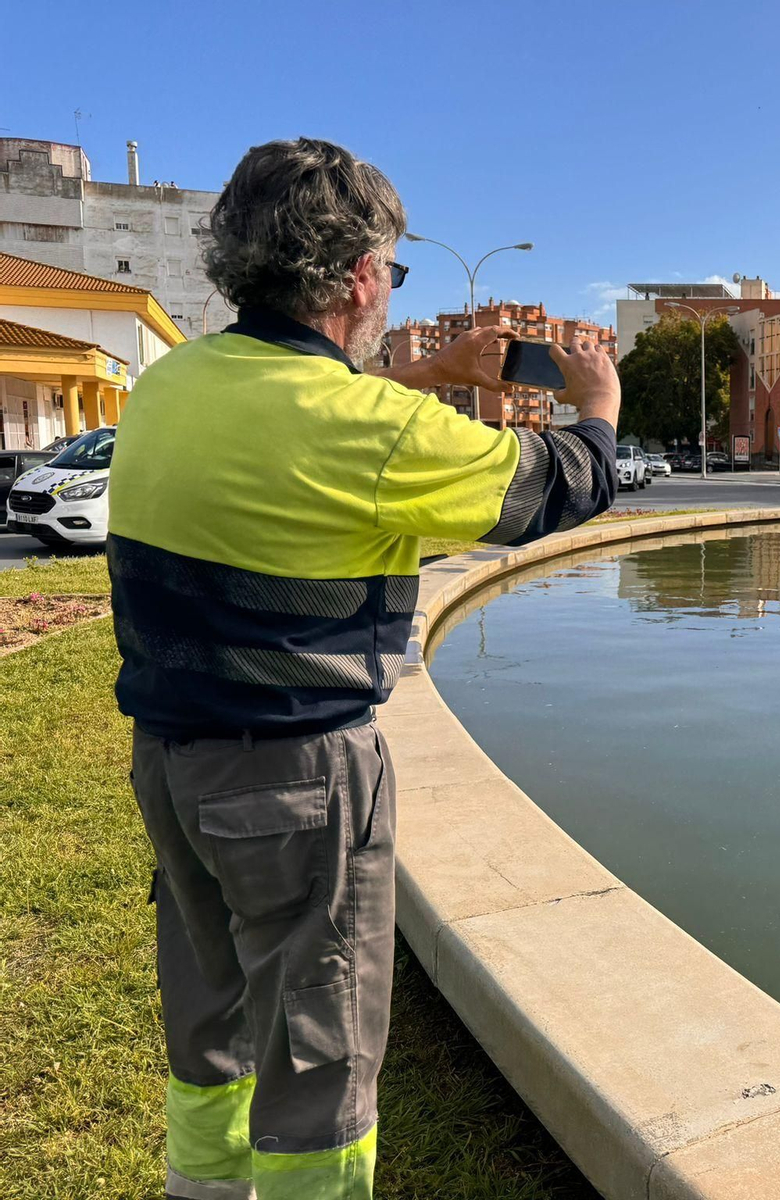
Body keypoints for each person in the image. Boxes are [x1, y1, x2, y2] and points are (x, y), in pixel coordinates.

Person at [109, 138, 620, 1200]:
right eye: (391, 269)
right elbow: (563, 485)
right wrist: (597, 401)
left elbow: (309, 408)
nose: (390, 288)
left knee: (208, 1006)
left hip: (172, 761)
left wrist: (434, 371)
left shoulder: (170, 388)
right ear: (355, 276)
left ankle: (199, 1188)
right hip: (297, 778)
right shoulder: (370, 432)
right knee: (321, 1052)